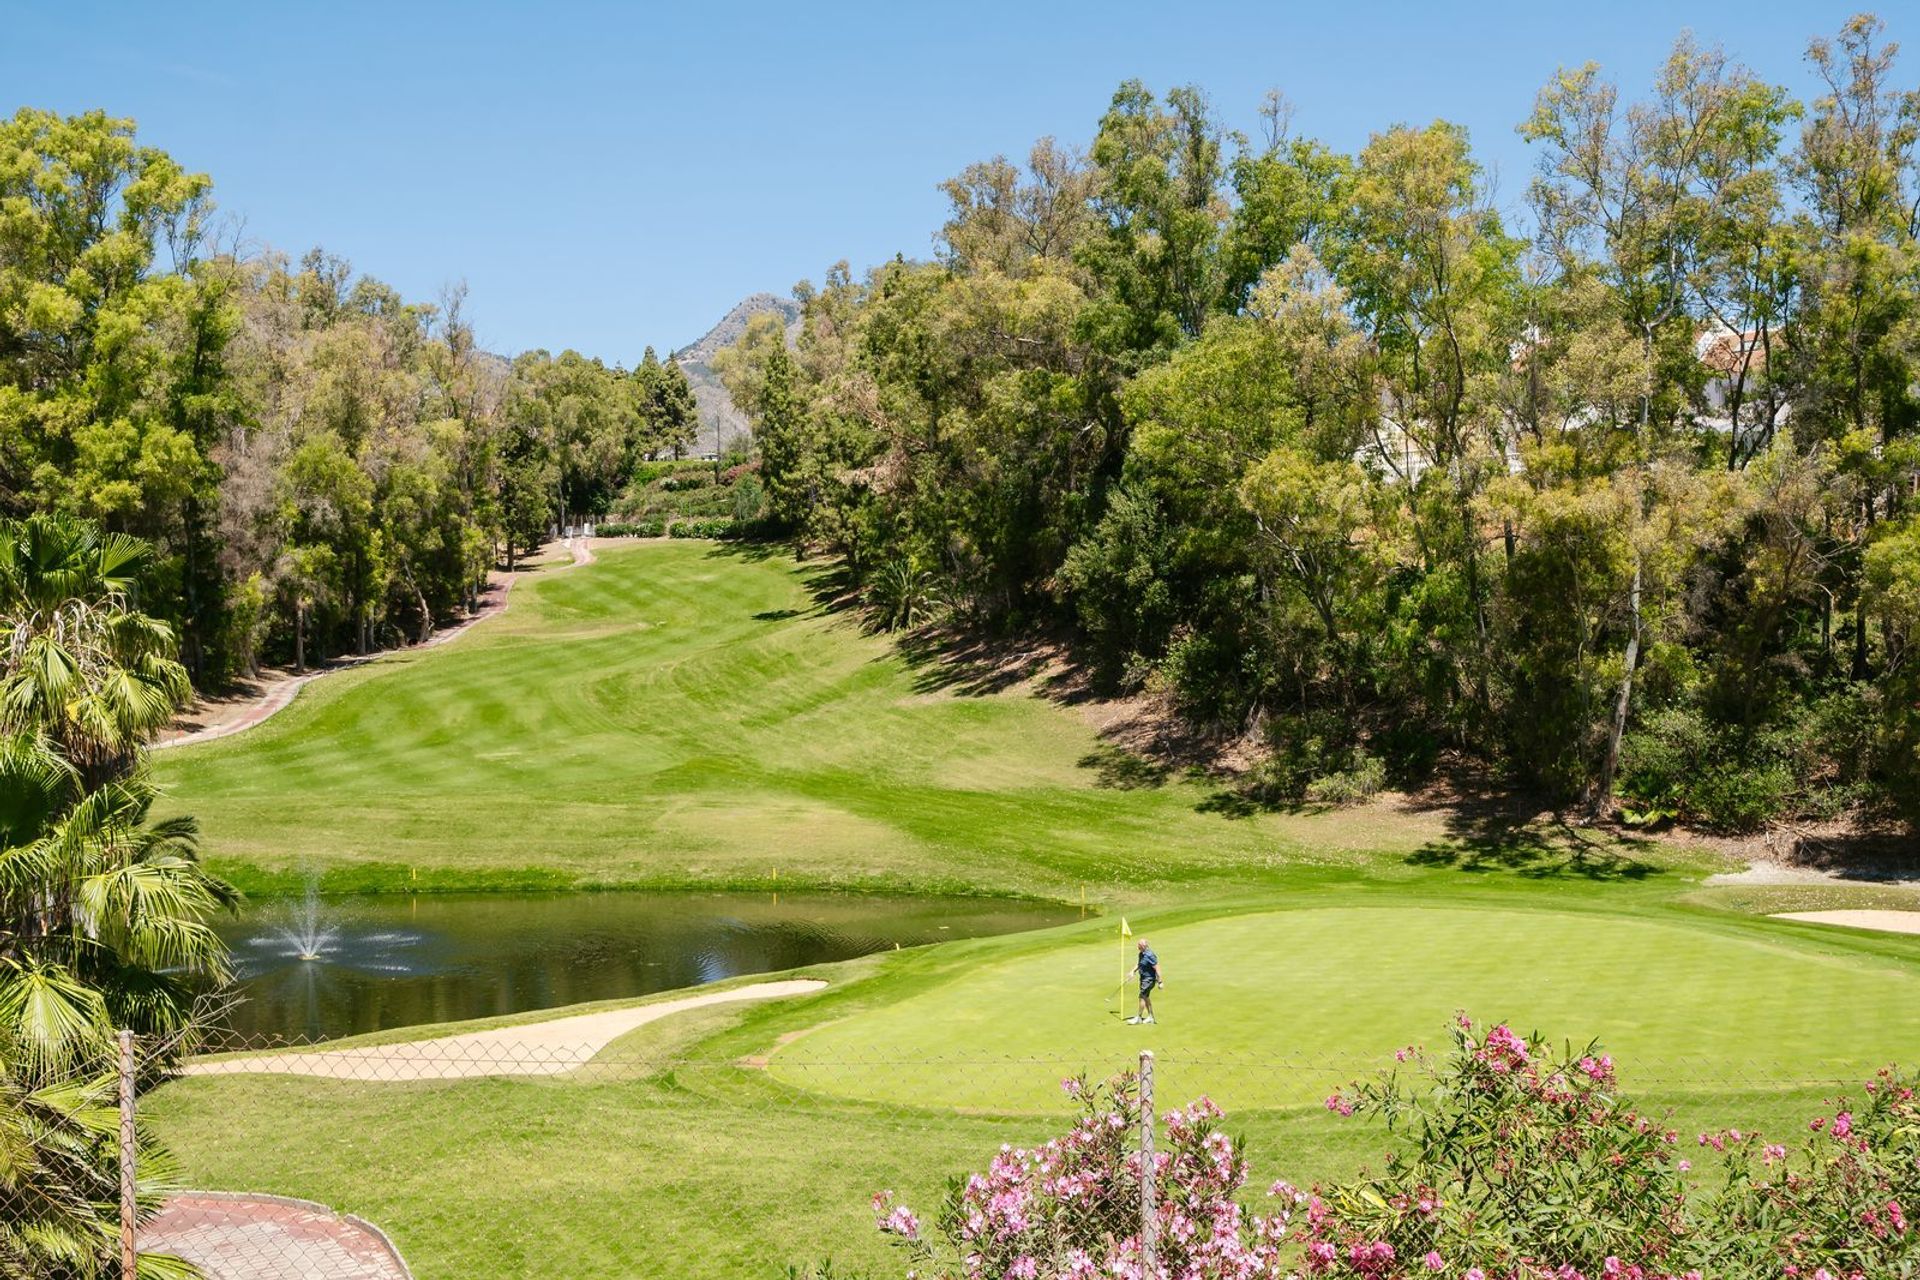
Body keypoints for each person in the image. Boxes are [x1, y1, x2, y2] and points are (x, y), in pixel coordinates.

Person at [1127, 938, 1162, 1025]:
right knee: (1146, 997)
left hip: (1149, 979)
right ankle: (1151, 1017)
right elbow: (1139, 964)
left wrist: (1160, 981)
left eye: (1139, 945)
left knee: (1142, 996)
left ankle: (1138, 1017)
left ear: (1143, 946)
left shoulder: (1150, 955)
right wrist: (1133, 971)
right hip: (1143, 979)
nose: (1137, 947)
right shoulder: (1141, 954)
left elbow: (1157, 967)